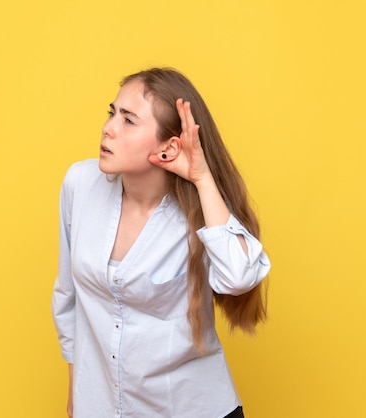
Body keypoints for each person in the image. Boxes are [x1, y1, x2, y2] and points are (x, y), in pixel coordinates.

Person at [52, 67, 271, 418]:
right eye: (112, 113)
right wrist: (76, 391)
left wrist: (201, 178)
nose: (108, 128)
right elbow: (68, 297)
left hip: (189, 408)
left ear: (169, 147)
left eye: (128, 120)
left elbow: (240, 276)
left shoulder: (200, 210)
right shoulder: (79, 184)